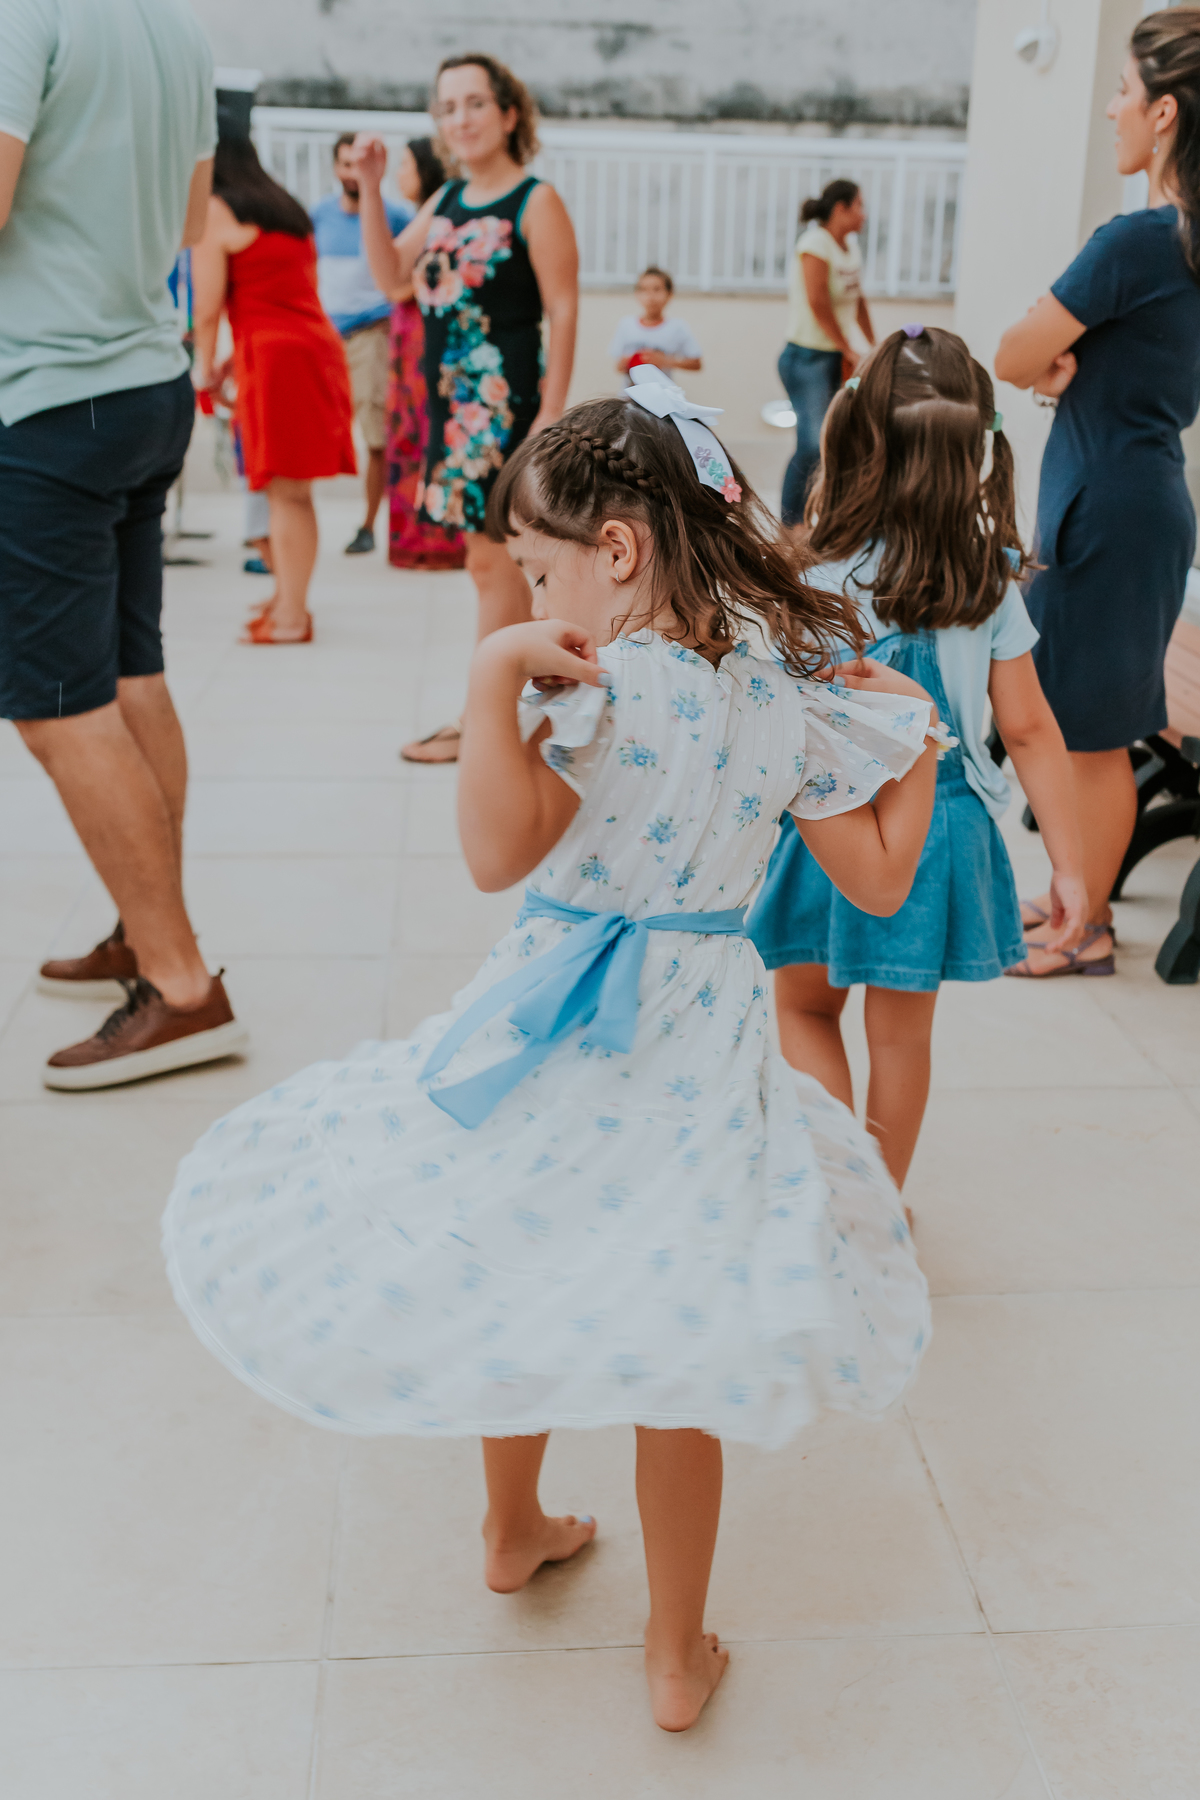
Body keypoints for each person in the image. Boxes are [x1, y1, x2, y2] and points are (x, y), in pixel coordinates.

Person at [163, 366, 941, 1734]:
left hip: (553, 1027)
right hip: (703, 1048)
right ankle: (674, 1655)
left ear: (616, 552)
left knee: (510, 1258)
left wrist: (490, 683)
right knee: (681, 1343)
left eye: (536, 571)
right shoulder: (775, 693)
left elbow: (493, 851)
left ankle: (512, 1526)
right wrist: (915, 743)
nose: (532, 600)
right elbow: (877, 884)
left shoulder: (595, 682)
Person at [748, 327, 1086, 1202]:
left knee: (805, 1007)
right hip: (941, 829)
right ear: (979, 450)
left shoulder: (812, 569)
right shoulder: (990, 577)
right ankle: (880, 1206)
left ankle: (834, 1198)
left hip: (827, 830)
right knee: (901, 1039)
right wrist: (1069, 865)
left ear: (854, 435)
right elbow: (1030, 729)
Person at [0, 0, 248, 1090]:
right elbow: (193, 215)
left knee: (57, 709)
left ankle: (181, 986)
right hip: (146, 385)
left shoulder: (25, 16)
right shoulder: (175, 25)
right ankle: (144, 930)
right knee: (130, 674)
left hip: (50, 398)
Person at [994, 9, 1200, 977]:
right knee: (1088, 722)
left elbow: (1012, 352)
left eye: (1123, 91)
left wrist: (1048, 368)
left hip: (1107, 508)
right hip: (1133, 499)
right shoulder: (1182, 246)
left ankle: (1088, 927)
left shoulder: (1137, 243)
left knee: (1094, 734)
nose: (1112, 109)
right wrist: (1059, 372)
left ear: (1165, 113)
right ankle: (1073, 897)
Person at [355, 52, 579, 762]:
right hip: (453, 414)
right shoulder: (448, 199)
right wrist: (369, 187)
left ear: (509, 113)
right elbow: (391, 276)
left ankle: (486, 720)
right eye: (448, 107)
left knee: (496, 565)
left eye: (475, 103)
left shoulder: (535, 201)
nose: (461, 118)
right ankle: (509, 711)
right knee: (494, 566)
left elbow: (563, 308)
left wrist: (550, 413)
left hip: (505, 409)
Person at [191, 128, 357, 644]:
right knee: (287, 491)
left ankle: (291, 616)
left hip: (277, 361)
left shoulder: (216, 211)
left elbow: (206, 309)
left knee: (286, 493)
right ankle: (286, 598)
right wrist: (232, 365)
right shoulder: (286, 210)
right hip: (310, 350)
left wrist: (203, 370)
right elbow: (283, 295)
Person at [312, 133, 413, 556]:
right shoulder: (319, 215)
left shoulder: (397, 216)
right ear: (336, 168)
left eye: (359, 163)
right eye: (345, 164)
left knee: (375, 433)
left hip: (372, 335)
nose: (352, 172)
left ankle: (369, 524)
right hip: (326, 338)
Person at [386, 136, 467, 571]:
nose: (399, 174)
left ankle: (434, 539)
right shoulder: (418, 219)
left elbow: (398, 284)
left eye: (406, 165)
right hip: (407, 339)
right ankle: (416, 536)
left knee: (423, 431)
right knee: (407, 433)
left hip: (424, 338)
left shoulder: (439, 220)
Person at [779, 180, 876, 529]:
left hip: (834, 357)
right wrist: (846, 346)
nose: (864, 214)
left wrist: (874, 344)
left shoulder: (850, 247)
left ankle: (817, 520)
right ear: (840, 208)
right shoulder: (815, 243)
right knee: (811, 444)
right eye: (859, 205)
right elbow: (818, 301)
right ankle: (790, 527)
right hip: (806, 358)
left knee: (833, 444)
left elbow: (857, 299)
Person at [608, 267, 703, 378]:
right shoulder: (626, 325)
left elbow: (696, 363)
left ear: (669, 294)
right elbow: (618, 366)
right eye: (644, 290)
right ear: (636, 294)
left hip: (662, 389)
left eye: (657, 289)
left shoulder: (677, 327)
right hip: (629, 389)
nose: (650, 296)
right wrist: (627, 363)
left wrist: (665, 361)